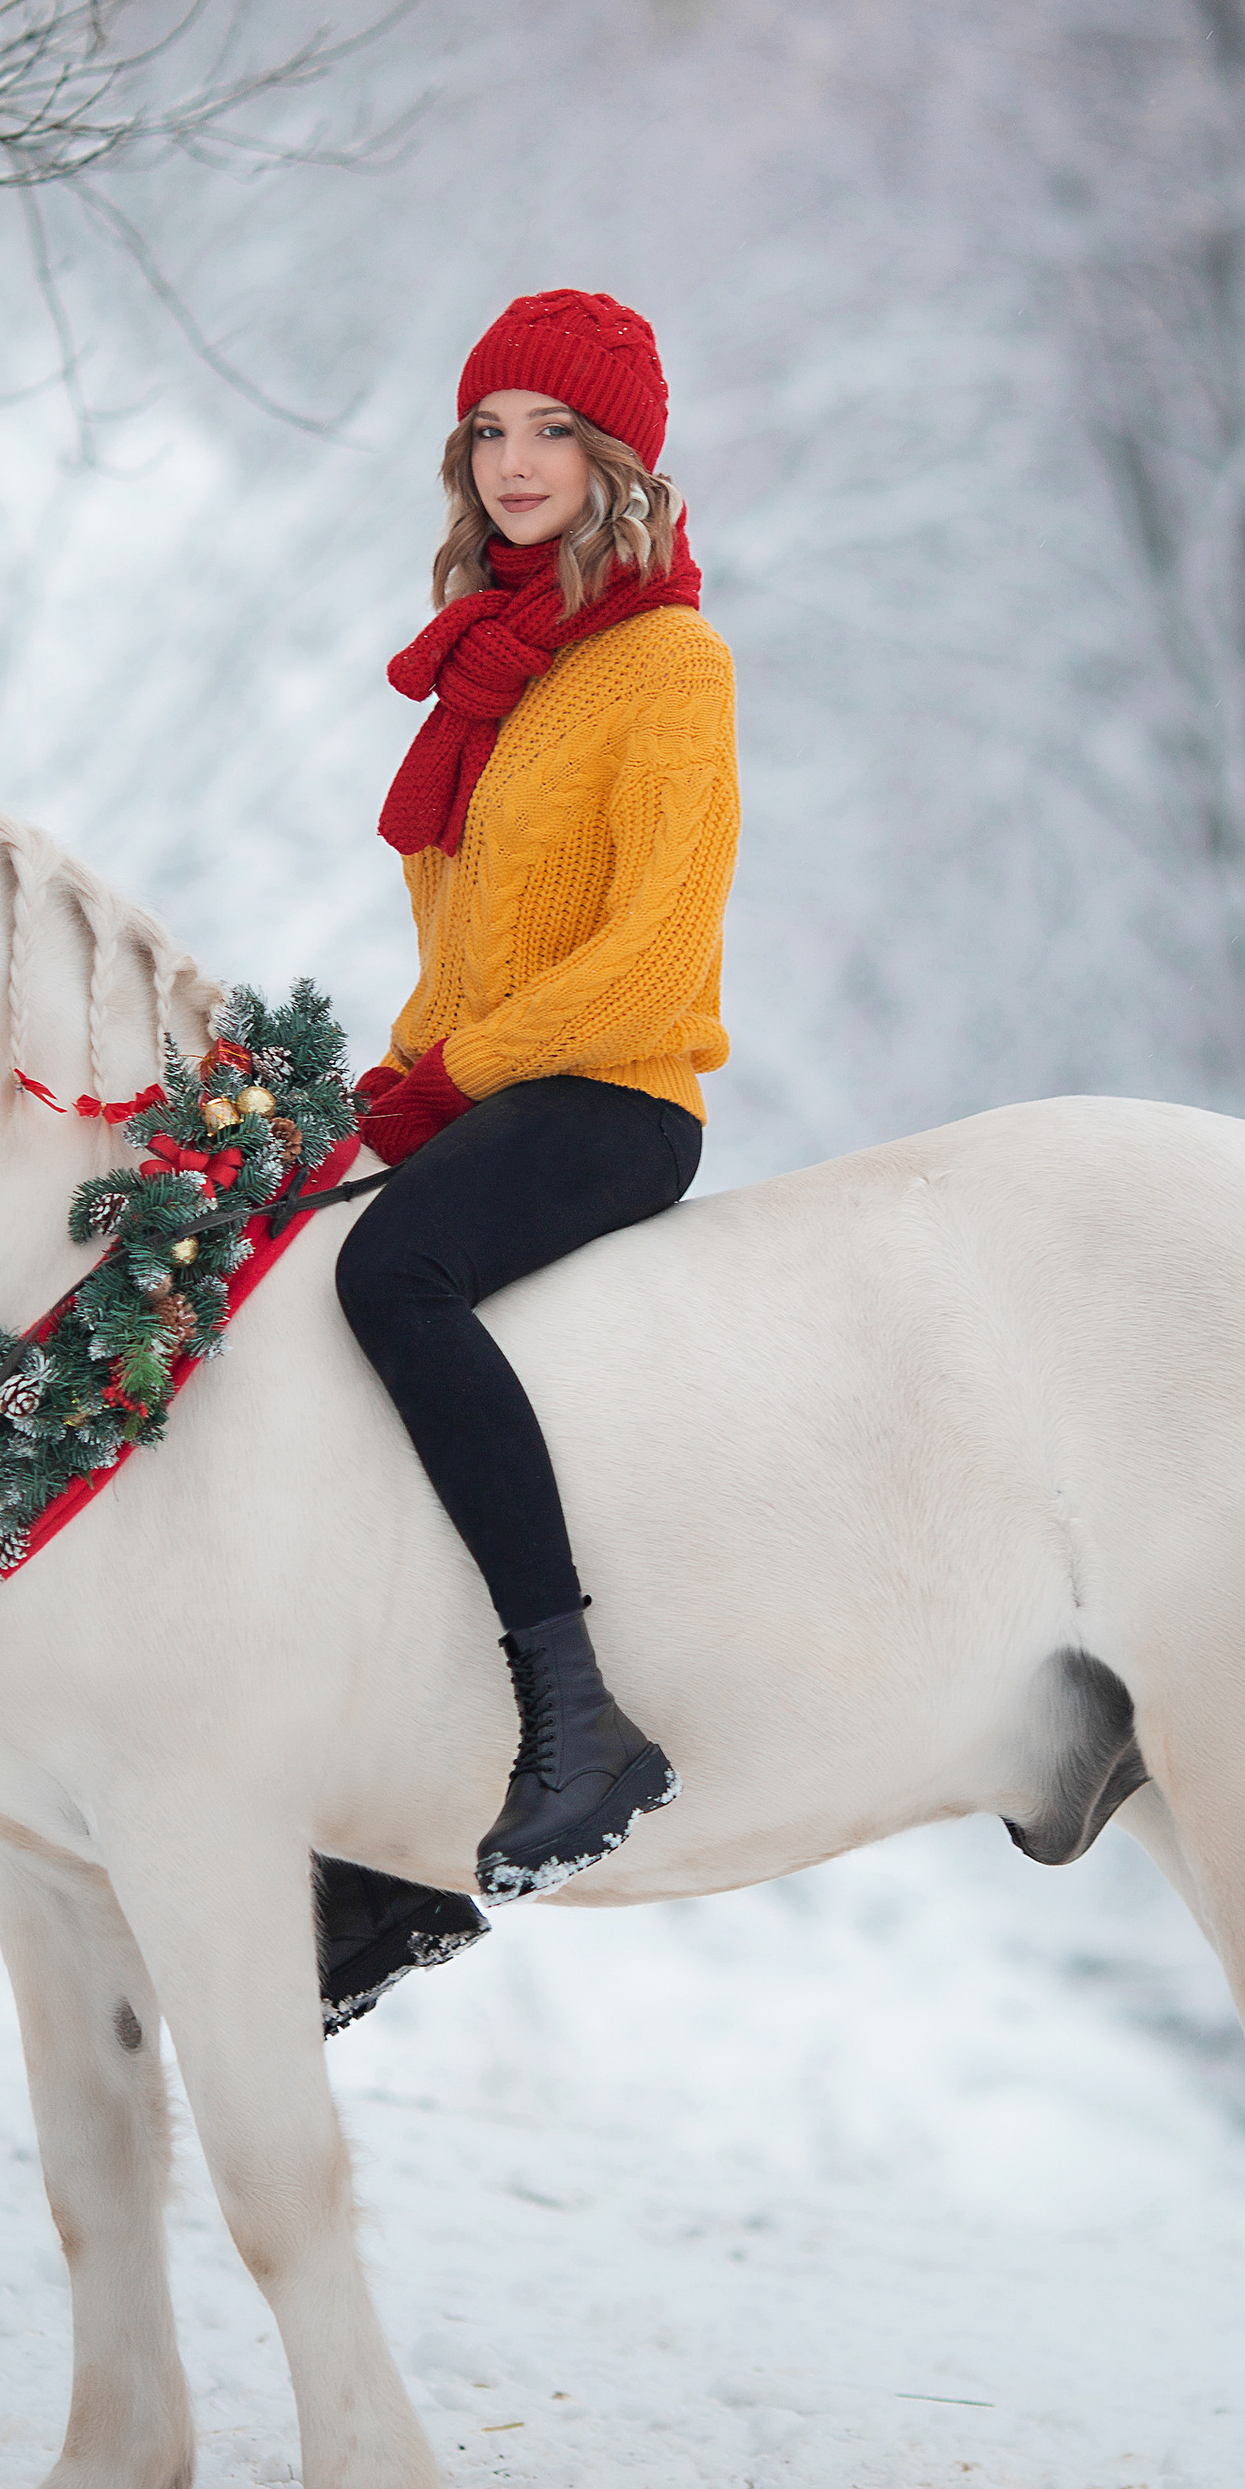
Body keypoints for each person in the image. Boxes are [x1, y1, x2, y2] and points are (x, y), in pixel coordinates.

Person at [335, 287, 740, 1963]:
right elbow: (464, 957)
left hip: (616, 1095)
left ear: (617, 456)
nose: (514, 460)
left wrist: (456, 1078)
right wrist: (391, 1087)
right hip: (503, 1076)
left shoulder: (669, 665)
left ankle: (582, 1724)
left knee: (389, 1279)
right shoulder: (500, 675)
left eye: (552, 429)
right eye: (489, 429)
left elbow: (652, 950)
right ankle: (385, 1835)